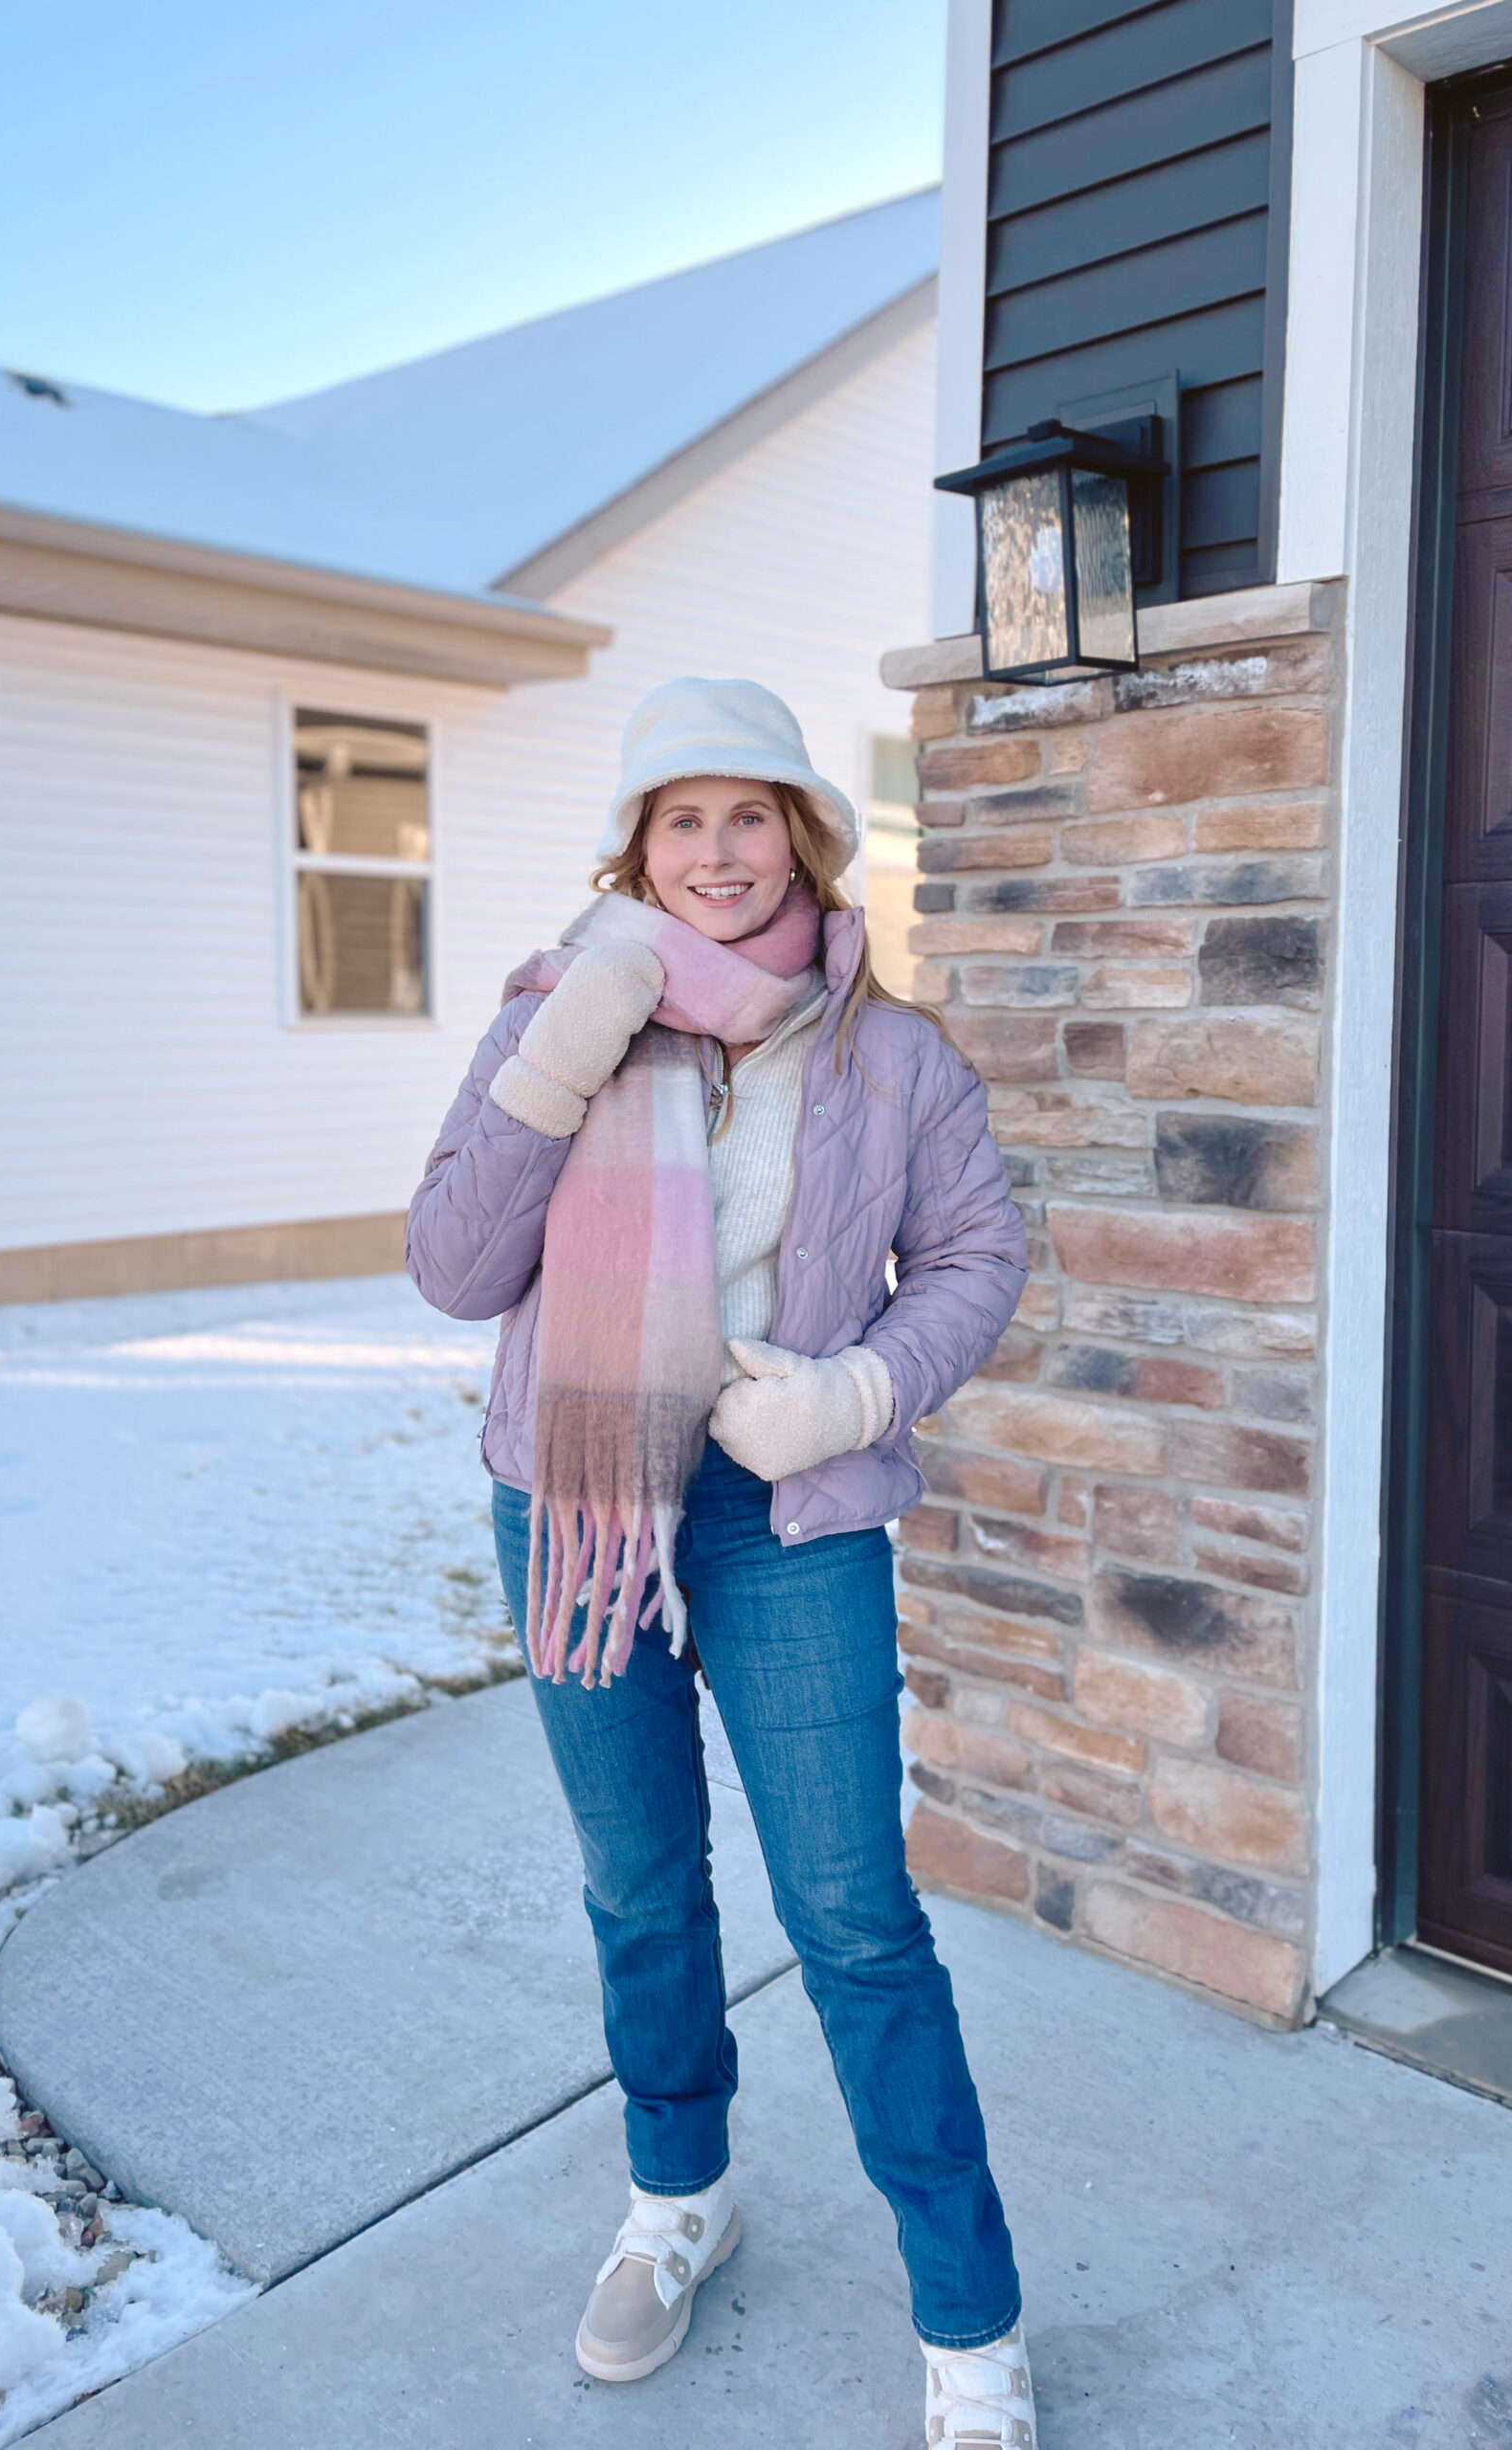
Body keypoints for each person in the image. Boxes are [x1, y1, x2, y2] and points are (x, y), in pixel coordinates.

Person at [407, 677, 1039, 2449]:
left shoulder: (887, 1055)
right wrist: (567, 1046)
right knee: (640, 1887)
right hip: (579, 1504)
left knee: (853, 1919)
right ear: (637, 849)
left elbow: (978, 1259)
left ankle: (970, 2320)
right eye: (679, 820)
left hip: (787, 1521)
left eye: (747, 813)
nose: (715, 853)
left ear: (805, 835)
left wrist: (855, 1392)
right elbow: (457, 1269)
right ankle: (680, 2198)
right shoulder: (566, 1013)